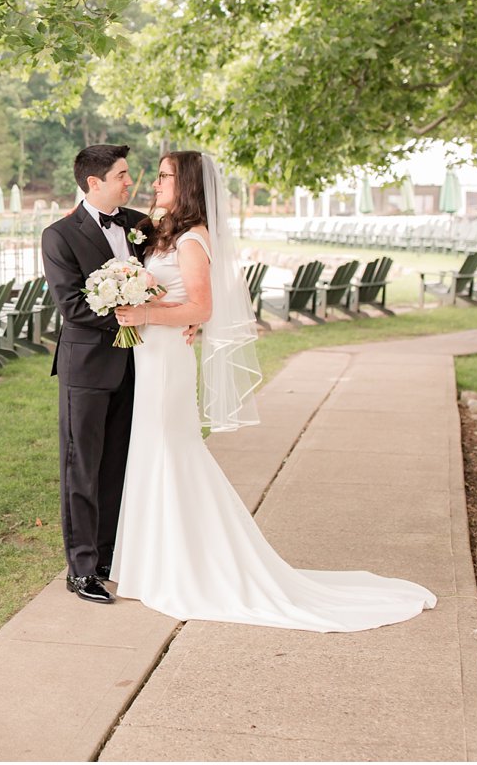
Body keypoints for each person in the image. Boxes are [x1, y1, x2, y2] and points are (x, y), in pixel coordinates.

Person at [111, 150, 437, 631]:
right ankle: (151, 562)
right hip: (152, 354)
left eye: (165, 177)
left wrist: (143, 314)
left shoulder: (193, 240)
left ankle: (182, 567)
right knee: (154, 451)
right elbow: (172, 296)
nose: (155, 183)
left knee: (168, 451)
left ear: (190, 186)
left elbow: (200, 309)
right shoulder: (165, 233)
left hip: (166, 364)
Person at [40, 144, 191, 605]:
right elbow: (72, 306)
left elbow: (174, 269)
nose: (131, 183)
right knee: (81, 468)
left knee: (117, 466)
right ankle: (81, 569)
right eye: (122, 175)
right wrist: (136, 314)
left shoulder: (137, 225)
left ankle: (108, 556)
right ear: (94, 183)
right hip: (85, 368)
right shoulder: (58, 235)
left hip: (140, 365)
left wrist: (187, 311)